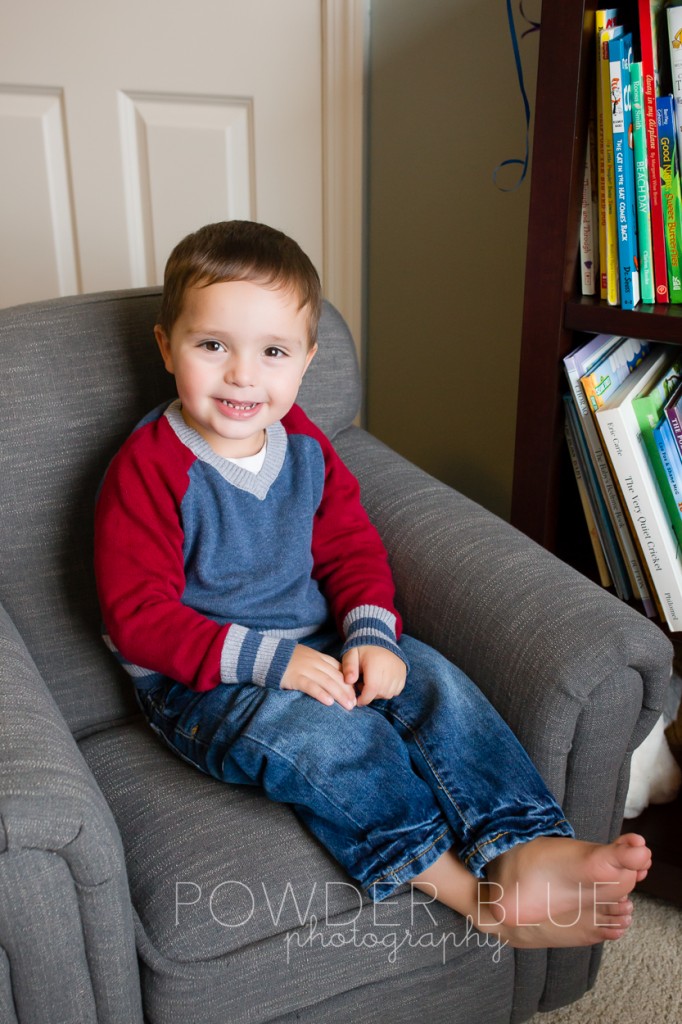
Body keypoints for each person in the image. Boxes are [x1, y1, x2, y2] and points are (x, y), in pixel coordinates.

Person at [94, 220, 650, 949]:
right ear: (167, 346)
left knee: (436, 683)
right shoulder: (149, 467)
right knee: (329, 740)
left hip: (318, 643)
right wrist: (277, 665)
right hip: (201, 685)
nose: (242, 375)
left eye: (272, 352)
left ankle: (521, 845)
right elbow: (139, 618)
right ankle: (471, 894)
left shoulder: (307, 449)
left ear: (306, 362)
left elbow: (351, 549)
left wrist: (370, 635)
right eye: (212, 346)